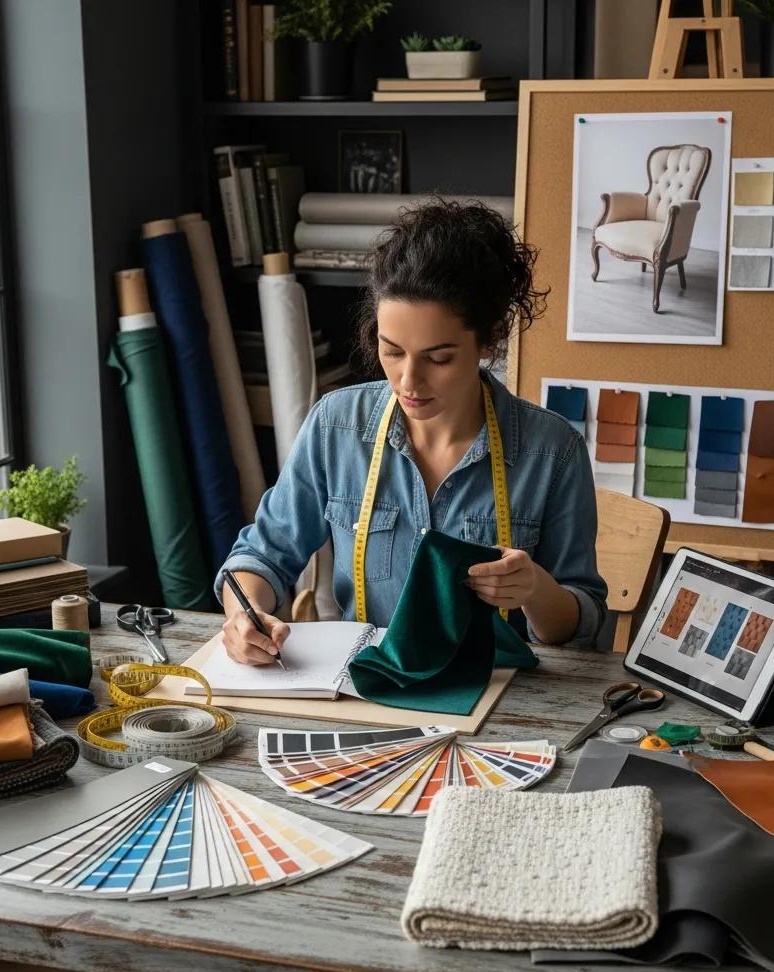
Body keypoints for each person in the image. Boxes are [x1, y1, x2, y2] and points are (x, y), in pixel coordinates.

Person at [216, 197, 607, 663]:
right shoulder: (336, 426)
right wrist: (245, 615)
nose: (408, 381)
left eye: (439, 358)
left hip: (503, 701)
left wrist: (536, 589)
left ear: (491, 339)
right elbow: (261, 556)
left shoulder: (553, 451)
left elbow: (579, 625)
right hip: (366, 689)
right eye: (392, 351)